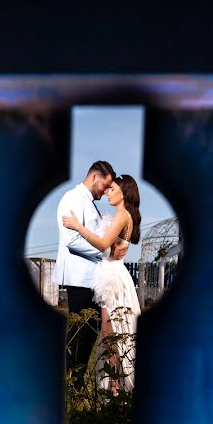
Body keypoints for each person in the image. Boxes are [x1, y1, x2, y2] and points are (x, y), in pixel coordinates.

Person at [63, 174, 141, 393]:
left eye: (112, 188)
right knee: (112, 331)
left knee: (110, 331)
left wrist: (77, 226)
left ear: (123, 192)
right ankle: (115, 386)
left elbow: (103, 244)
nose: (108, 191)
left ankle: (116, 387)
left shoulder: (122, 215)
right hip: (113, 273)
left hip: (111, 277)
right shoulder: (122, 216)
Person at [54, 160, 125, 388]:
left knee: (89, 334)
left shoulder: (90, 203)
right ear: (95, 176)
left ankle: (79, 382)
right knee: (78, 334)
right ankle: (71, 384)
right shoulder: (72, 198)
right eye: (105, 186)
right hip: (78, 277)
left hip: (91, 278)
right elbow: (71, 239)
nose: (105, 192)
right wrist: (102, 250)